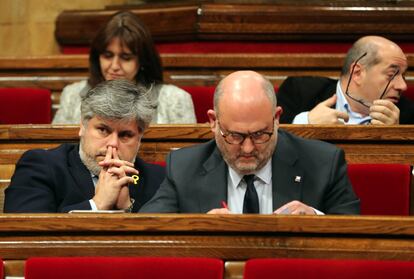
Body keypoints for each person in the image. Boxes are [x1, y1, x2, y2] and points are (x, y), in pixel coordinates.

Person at [140, 71, 360, 215]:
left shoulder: (323, 163)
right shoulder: (183, 167)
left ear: (276, 119)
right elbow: (149, 232)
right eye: (235, 136)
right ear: (213, 122)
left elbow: (355, 237)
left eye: (259, 135)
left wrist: (316, 220)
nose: (247, 148)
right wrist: (198, 229)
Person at [4, 79, 165, 213]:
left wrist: (127, 209)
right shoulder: (41, 166)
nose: (113, 144)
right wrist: (97, 205)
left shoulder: (159, 179)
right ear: (83, 126)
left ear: (139, 138)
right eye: (103, 130)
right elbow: (26, 234)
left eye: (125, 135)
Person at [53, 10, 196, 124]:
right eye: (108, 56)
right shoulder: (72, 95)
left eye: (126, 57)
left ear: (142, 60)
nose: (114, 66)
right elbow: (55, 152)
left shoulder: (175, 100)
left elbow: (187, 159)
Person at [277, 36, 414, 125]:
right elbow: (268, 144)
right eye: (391, 75)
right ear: (357, 73)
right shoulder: (299, 92)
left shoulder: (407, 115)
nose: (402, 86)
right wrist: (306, 122)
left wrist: (396, 136)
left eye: (403, 76)